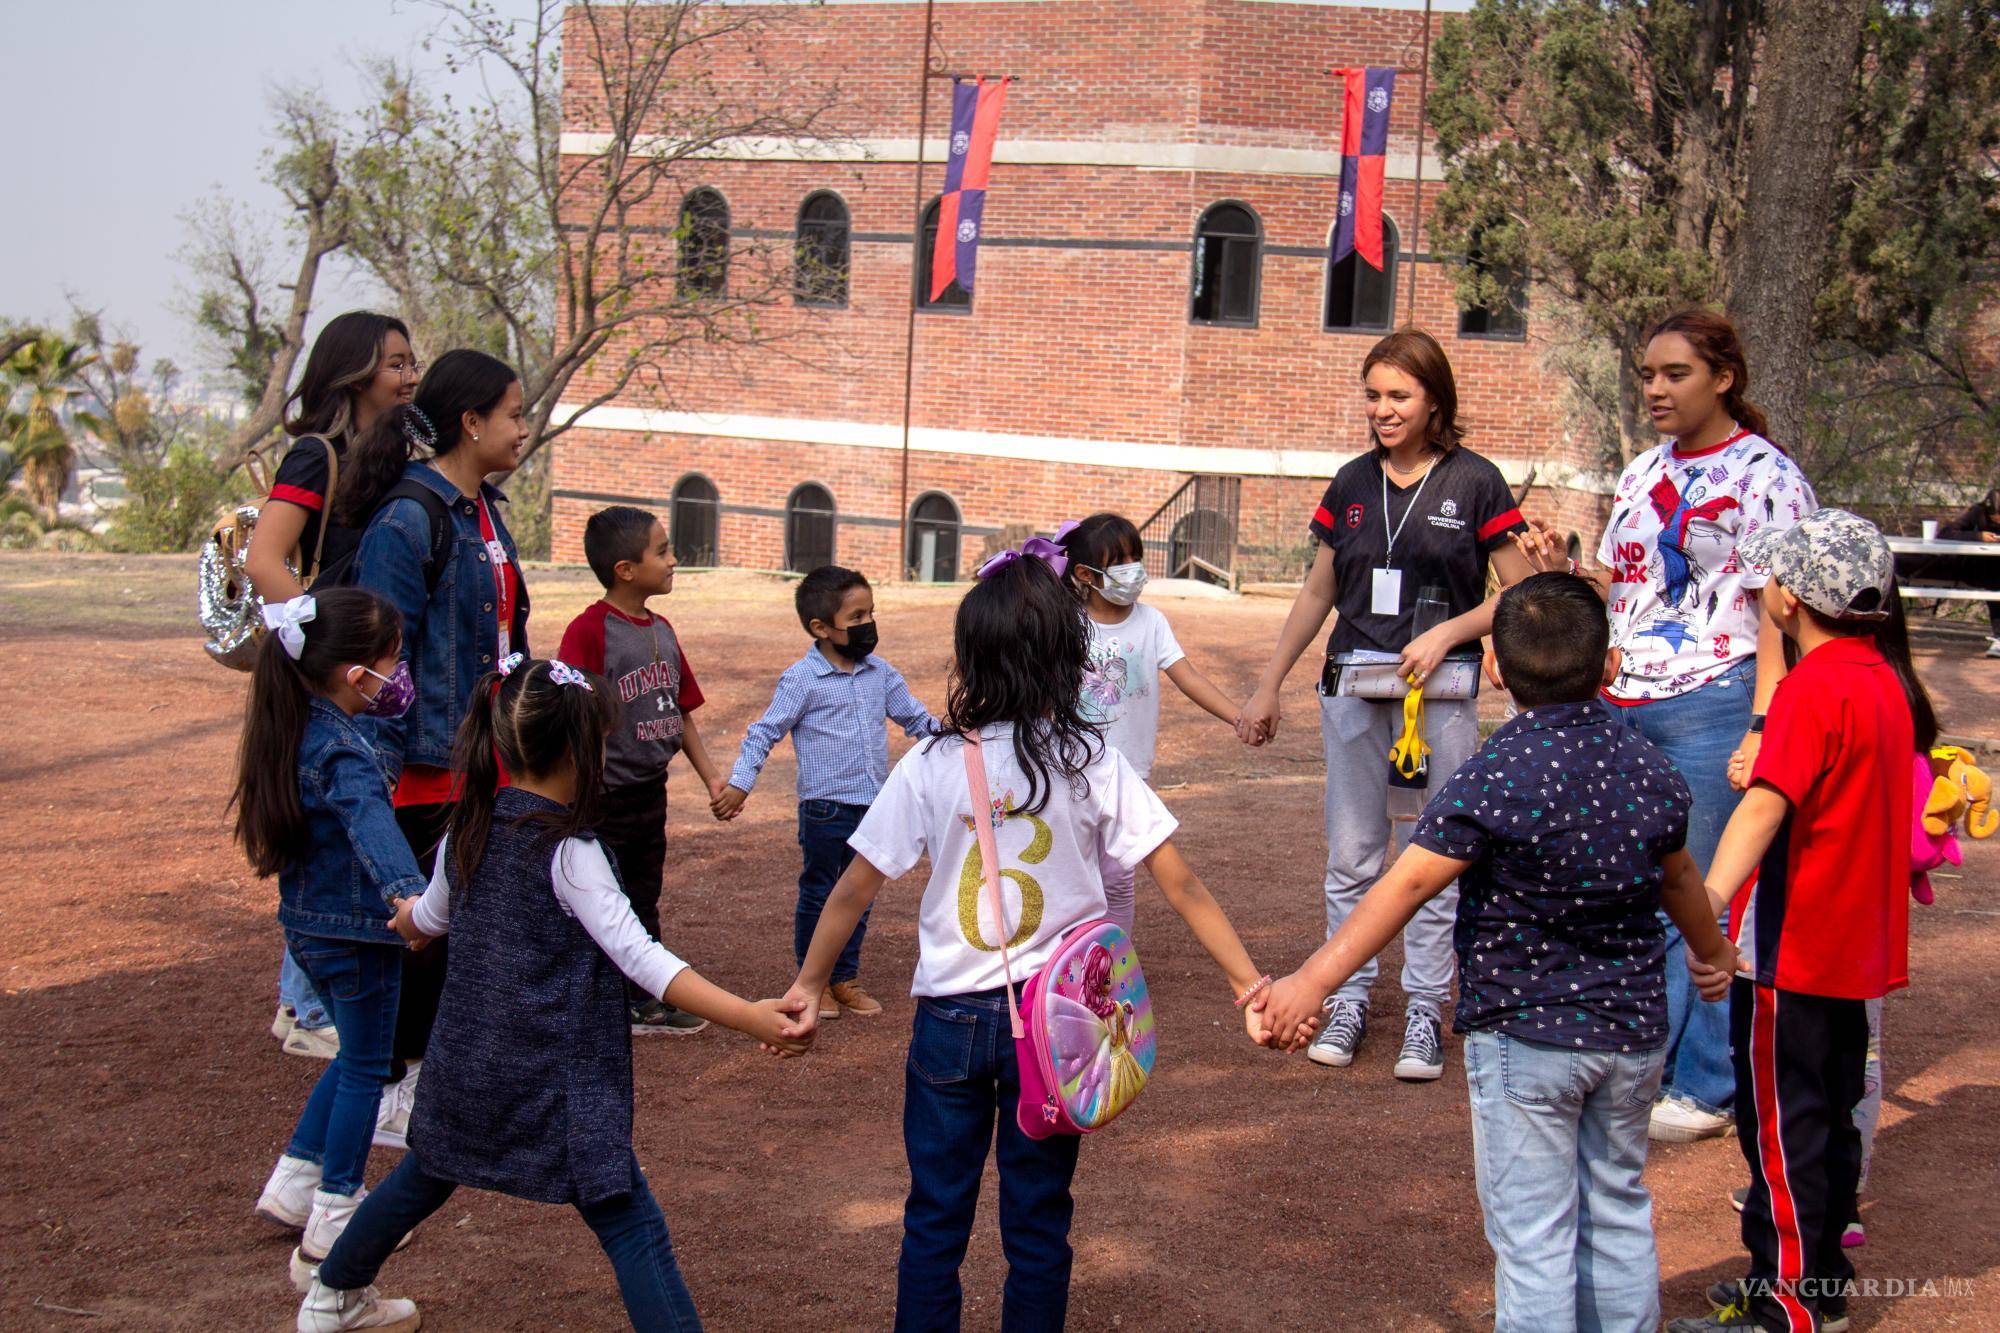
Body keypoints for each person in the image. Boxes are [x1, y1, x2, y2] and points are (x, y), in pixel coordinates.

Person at [775, 541, 1279, 1332]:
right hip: (1058, 1031)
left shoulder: (933, 761)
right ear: (1066, 658)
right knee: (1040, 1223)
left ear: (970, 656)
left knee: (934, 1217)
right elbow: (1177, 880)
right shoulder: (1089, 757)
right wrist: (1249, 982)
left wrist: (808, 982)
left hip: (950, 1022)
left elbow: (852, 885)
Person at [1259, 572, 1740, 1333]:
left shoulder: (1491, 775)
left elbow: (1410, 880)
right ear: (1610, 666)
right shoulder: (1653, 770)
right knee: (1615, 1208)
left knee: (1533, 1237)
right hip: (1630, 1034)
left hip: (1526, 1039)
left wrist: (1311, 980)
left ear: (1496, 672)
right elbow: (1681, 875)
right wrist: (1711, 954)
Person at [294, 656, 810, 1333]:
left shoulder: (468, 831)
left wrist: (406, 921)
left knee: (425, 1173)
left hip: (466, 1067)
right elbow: (642, 959)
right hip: (552, 1084)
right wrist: (751, 1015)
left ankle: (331, 1295)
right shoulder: (572, 851)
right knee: (630, 1222)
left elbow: (427, 917)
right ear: (578, 749)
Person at [1518, 308, 1817, 1143]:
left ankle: (1707, 1079)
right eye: (1647, 373)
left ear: (1723, 378)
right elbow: (1622, 585)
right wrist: (1564, 575)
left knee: (1707, 890)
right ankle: (1632, 1057)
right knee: (1631, 881)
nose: (1654, 387)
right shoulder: (1641, 471)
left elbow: (1777, 616)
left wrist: (1762, 721)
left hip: (1717, 697)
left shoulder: (1767, 477)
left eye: (1675, 373)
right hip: (1626, 698)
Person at [1238, 327, 1533, 1081]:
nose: (1383, 409)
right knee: (1353, 853)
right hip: (1355, 685)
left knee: (1431, 854)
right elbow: (1317, 591)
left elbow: (1523, 592)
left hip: (1441, 688)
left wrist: (1449, 635)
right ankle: (1347, 998)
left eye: (1399, 395)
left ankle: (1427, 1009)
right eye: (1373, 395)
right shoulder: (1350, 482)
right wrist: (1271, 681)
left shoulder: (1476, 482)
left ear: (1436, 399)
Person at [1665, 509, 1921, 1333]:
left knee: (1780, 1132)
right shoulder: (1883, 677)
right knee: (1827, 1120)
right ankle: (1813, 1280)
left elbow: (1763, 811)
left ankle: (1792, 1304)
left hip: (1793, 949)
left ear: (1787, 598)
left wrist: (1704, 908)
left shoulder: (1812, 686)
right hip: (1852, 948)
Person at [338, 349, 531, 1147]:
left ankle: (433, 1079)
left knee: (466, 926)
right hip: (419, 768)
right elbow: (379, 659)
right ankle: (391, 1089)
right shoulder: (409, 517)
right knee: (419, 934)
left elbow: (504, 631)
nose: (524, 429)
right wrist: (390, 762)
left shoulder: (486, 510)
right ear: (470, 421)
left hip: (478, 755)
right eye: (514, 415)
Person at [245, 311, 419, 1060]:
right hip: (329, 672)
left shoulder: (380, 453)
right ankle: (311, 1004)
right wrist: (313, 647)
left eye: (412, 362)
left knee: (329, 822)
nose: (409, 376)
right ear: (353, 372)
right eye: (394, 364)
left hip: (350, 667)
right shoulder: (318, 457)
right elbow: (265, 557)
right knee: (335, 819)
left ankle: (301, 999)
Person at [236, 588, 426, 1273]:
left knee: (353, 1055)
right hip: (359, 934)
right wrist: (410, 899)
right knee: (368, 1069)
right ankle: (338, 1213)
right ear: (356, 674)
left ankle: (294, 1183)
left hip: (309, 930)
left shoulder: (296, 727)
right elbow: (372, 826)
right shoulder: (344, 750)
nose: (398, 677)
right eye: (393, 662)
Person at [713, 565, 936, 1021]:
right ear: (820, 627)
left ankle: (845, 977)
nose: (867, 625)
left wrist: (962, 742)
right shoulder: (801, 679)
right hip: (824, 808)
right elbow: (763, 732)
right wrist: (740, 782)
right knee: (819, 892)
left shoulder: (881, 674)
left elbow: (917, 721)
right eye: (856, 617)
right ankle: (813, 980)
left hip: (873, 807)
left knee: (862, 893)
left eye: (870, 613)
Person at [559, 505, 727, 1035]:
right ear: (625, 570)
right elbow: (572, 714)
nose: (674, 559)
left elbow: (681, 713)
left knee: (642, 893)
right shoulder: (589, 630)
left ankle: (638, 1000)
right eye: (661, 550)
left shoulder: (663, 628)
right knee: (594, 897)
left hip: (649, 793)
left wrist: (712, 779)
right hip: (603, 797)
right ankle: (589, 999)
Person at [1054, 512, 1243, 931]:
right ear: (1085, 573)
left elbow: (1187, 675)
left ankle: (1110, 966)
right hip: (1071, 771)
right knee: (1074, 875)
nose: (1134, 570)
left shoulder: (1152, 622)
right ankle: (1066, 961)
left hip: (1129, 774)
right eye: (1121, 561)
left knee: (1119, 878)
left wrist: (1237, 717)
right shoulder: (1066, 625)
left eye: (1136, 557)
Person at [1892, 487, 2000, 657]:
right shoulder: (1977, 513)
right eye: (1996, 515)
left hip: (1993, 570)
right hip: (1975, 568)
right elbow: (1947, 533)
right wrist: (1978, 537)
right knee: (1993, 580)